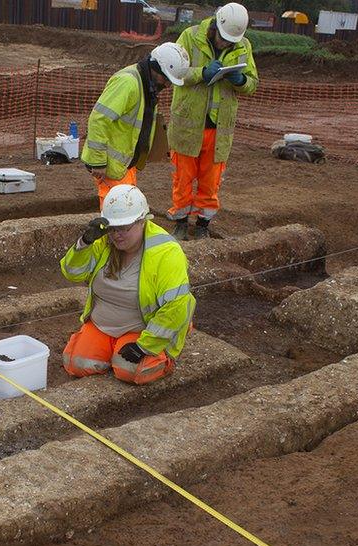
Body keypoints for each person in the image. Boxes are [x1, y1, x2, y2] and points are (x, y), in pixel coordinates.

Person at [59, 185, 195, 385]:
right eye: (112, 228)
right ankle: (112, 349)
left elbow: (177, 306)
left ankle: (163, 357)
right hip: (102, 326)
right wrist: (85, 243)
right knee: (76, 363)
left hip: (140, 329)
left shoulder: (166, 253)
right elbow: (71, 273)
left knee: (130, 371)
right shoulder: (103, 241)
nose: (116, 235)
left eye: (124, 228)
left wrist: (145, 347)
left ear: (142, 221)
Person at [167, 3, 259, 240]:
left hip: (219, 129)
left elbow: (252, 84)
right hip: (188, 127)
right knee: (183, 179)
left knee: (211, 182)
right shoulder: (190, 36)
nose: (225, 44)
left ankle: (202, 225)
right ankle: (180, 222)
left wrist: (240, 81)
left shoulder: (243, 46)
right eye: (223, 38)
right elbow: (174, 72)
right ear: (215, 25)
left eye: (230, 42)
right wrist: (201, 73)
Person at [81, 42, 190, 208]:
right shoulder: (128, 83)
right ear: (156, 68)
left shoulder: (147, 85)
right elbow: (99, 119)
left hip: (124, 165)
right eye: (166, 79)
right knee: (118, 213)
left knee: (126, 211)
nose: (168, 85)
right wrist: (98, 162)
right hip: (110, 165)